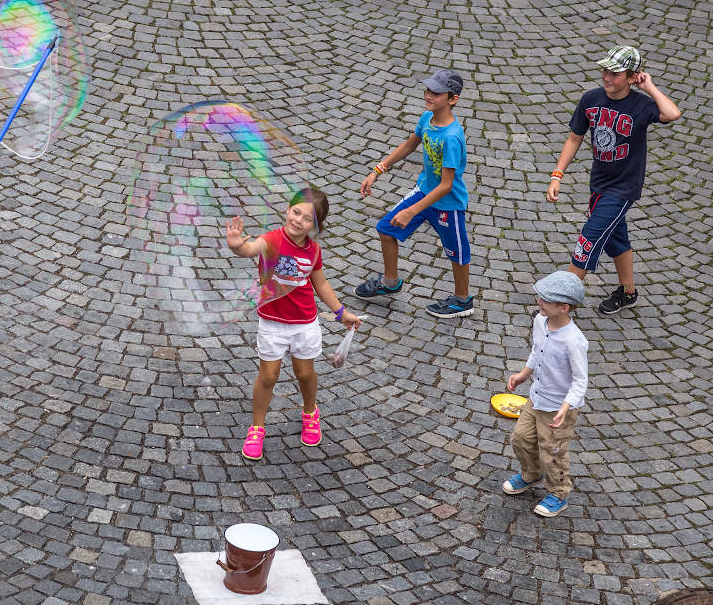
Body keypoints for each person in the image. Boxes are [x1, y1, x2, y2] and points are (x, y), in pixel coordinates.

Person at [225, 186, 361, 461]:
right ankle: (257, 428)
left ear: (316, 226)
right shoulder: (271, 240)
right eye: (296, 212)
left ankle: (310, 412)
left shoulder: (314, 251)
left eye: (307, 218)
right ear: (287, 210)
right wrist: (236, 245)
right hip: (272, 323)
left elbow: (320, 284)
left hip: (304, 323)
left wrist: (341, 312)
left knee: (305, 374)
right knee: (268, 376)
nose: (298, 220)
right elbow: (249, 249)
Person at [546, 45, 681, 315]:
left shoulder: (641, 105)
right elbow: (574, 138)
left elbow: (672, 114)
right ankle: (628, 293)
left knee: (588, 241)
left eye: (615, 73)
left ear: (632, 77)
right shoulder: (591, 99)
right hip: (599, 184)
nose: (606, 77)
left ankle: (559, 304)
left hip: (623, 189)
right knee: (616, 239)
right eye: (605, 70)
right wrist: (557, 174)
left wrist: (649, 87)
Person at [356, 68, 474, 319]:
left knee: (457, 252)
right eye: (428, 89)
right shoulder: (427, 118)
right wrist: (378, 170)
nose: (428, 95)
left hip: (448, 204)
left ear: (453, 99)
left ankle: (462, 300)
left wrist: (411, 211)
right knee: (386, 228)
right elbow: (409, 145)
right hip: (424, 192)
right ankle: (390, 282)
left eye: (436, 93)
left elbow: (446, 185)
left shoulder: (452, 137)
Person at [501, 271, 589, 517]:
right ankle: (531, 474)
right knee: (520, 438)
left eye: (545, 299)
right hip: (537, 398)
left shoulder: (574, 341)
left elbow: (580, 381)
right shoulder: (540, 321)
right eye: (539, 296)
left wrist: (565, 409)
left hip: (559, 408)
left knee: (552, 452)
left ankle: (559, 494)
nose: (538, 301)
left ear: (564, 307)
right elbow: (537, 351)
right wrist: (523, 374)